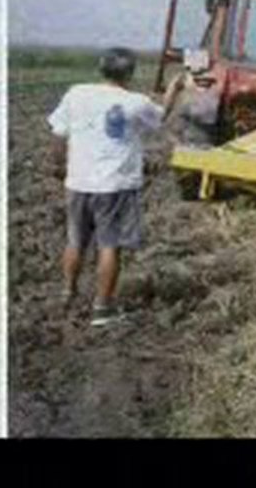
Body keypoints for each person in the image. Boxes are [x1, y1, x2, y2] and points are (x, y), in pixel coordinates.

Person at [48, 47, 186, 326]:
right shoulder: (135, 102)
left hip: (78, 182)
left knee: (75, 240)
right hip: (115, 185)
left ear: (101, 69)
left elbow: (58, 135)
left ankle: (67, 293)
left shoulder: (76, 93)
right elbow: (160, 117)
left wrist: (59, 165)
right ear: (131, 73)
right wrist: (174, 89)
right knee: (109, 246)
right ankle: (102, 309)